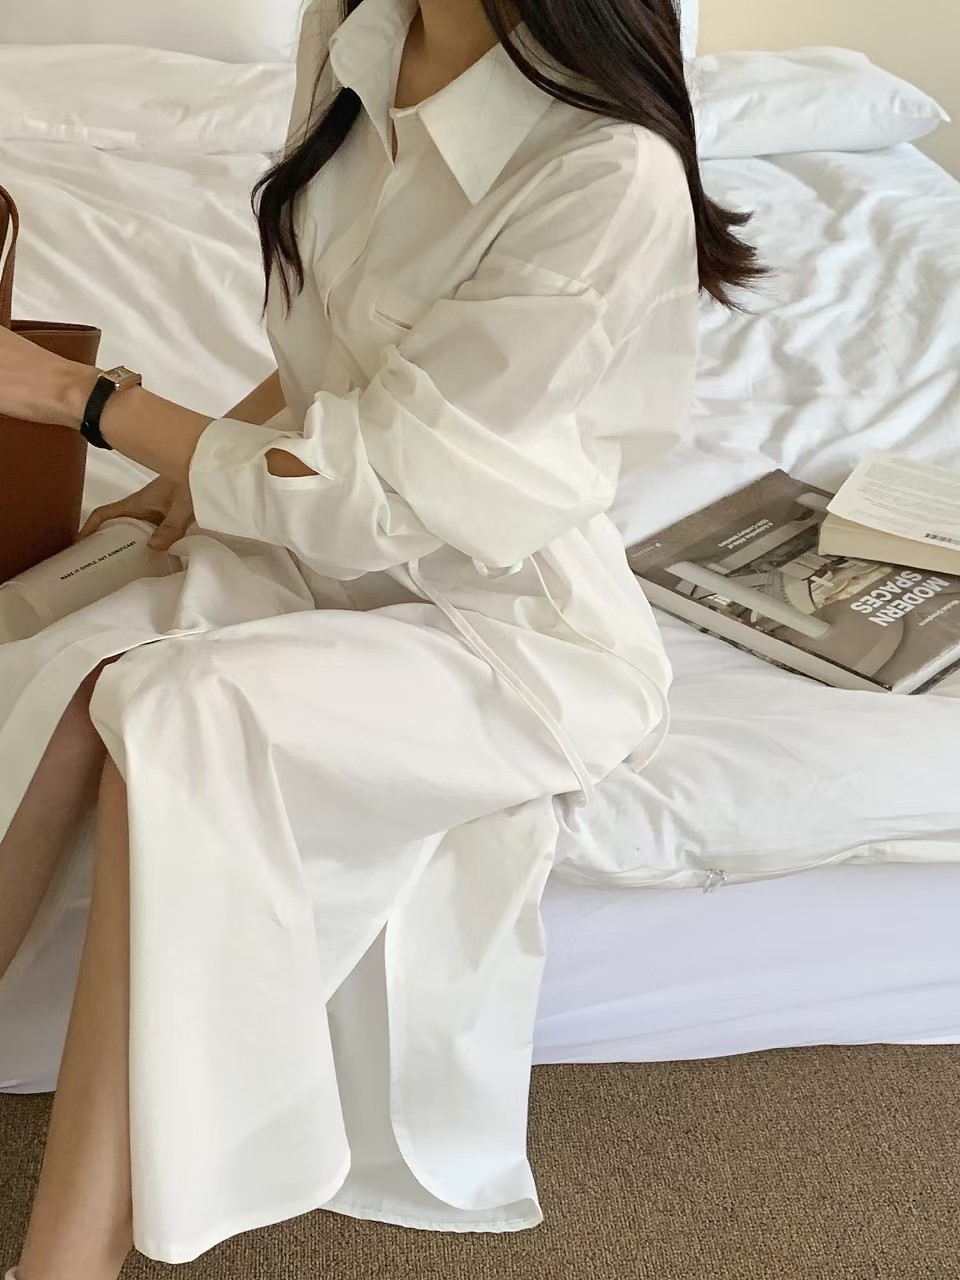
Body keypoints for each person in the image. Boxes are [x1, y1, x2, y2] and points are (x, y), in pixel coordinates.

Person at [0, 0, 759, 1274]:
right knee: (62, 674)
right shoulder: (355, 32)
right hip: (301, 539)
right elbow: (330, 357)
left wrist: (85, 398)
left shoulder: (606, 171)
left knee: (175, 717)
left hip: (495, 615)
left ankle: (64, 1262)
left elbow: (390, 490)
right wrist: (182, 474)